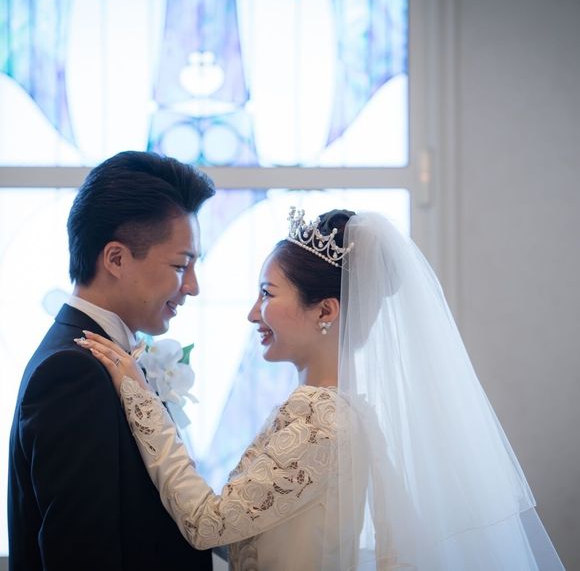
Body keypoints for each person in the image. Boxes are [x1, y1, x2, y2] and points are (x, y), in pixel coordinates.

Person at [77, 207, 564, 570]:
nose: (253, 314)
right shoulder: (350, 411)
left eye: (267, 294)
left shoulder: (320, 419)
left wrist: (142, 400)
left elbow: (209, 524)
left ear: (325, 311)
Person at [8, 151, 215, 571]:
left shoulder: (104, 355)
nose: (192, 287)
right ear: (116, 259)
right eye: (181, 265)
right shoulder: (72, 372)